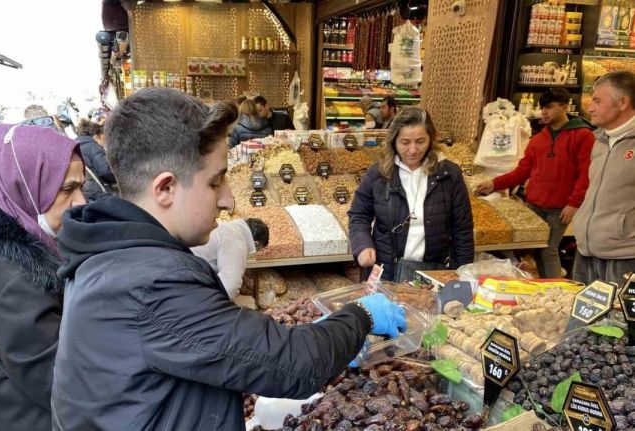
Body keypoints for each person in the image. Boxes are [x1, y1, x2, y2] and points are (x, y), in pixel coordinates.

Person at [52, 88, 407, 430]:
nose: (226, 200)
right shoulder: (152, 282)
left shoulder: (108, 255)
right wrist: (361, 315)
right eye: (215, 181)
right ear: (164, 188)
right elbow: (296, 365)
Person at [0, 124, 86, 431]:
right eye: (67, 189)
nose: (81, 202)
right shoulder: (14, 282)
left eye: (81, 187)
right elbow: (67, 387)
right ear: (24, 185)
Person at [476, 88, 595, 278]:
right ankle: (543, 288)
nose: (544, 112)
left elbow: (586, 174)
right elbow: (523, 171)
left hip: (560, 207)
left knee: (548, 250)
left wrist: (574, 203)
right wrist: (494, 184)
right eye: (542, 108)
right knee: (534, 249)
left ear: (564, 107)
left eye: (549, 107)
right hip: (535, 204)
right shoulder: (539, 139)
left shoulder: (582, 135)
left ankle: (556, 292)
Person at [348, 106, 474, 283]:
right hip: (385, 272)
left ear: (431, 139)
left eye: (420, 141)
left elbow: (462, 230)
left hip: (431, 275)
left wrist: (463, 274)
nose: (413, 150)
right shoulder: (378, 173)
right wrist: (362, 245)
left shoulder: (449, 175)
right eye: (405, 142)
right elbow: (359, 215)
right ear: (394, 141)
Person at [572, 71, 635, 286]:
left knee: (619, 320)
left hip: (625, 258)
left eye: (598, 101)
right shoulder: (598, 140)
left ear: (623, 102)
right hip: (586, 252)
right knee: (580, 319)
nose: (590, 107)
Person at [191, 218, 269, 298]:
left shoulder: (230, 228)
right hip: (190, 277)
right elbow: (230, 288)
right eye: (258, 249)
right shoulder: (237, 241)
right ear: (256, 243)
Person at [75, 118, 117, 201]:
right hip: (100, 191)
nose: (104, 141)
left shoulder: (77, 147)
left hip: (87, 192)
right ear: (96, 136)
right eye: (103, 137)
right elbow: (105, 172)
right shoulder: (93, 147)